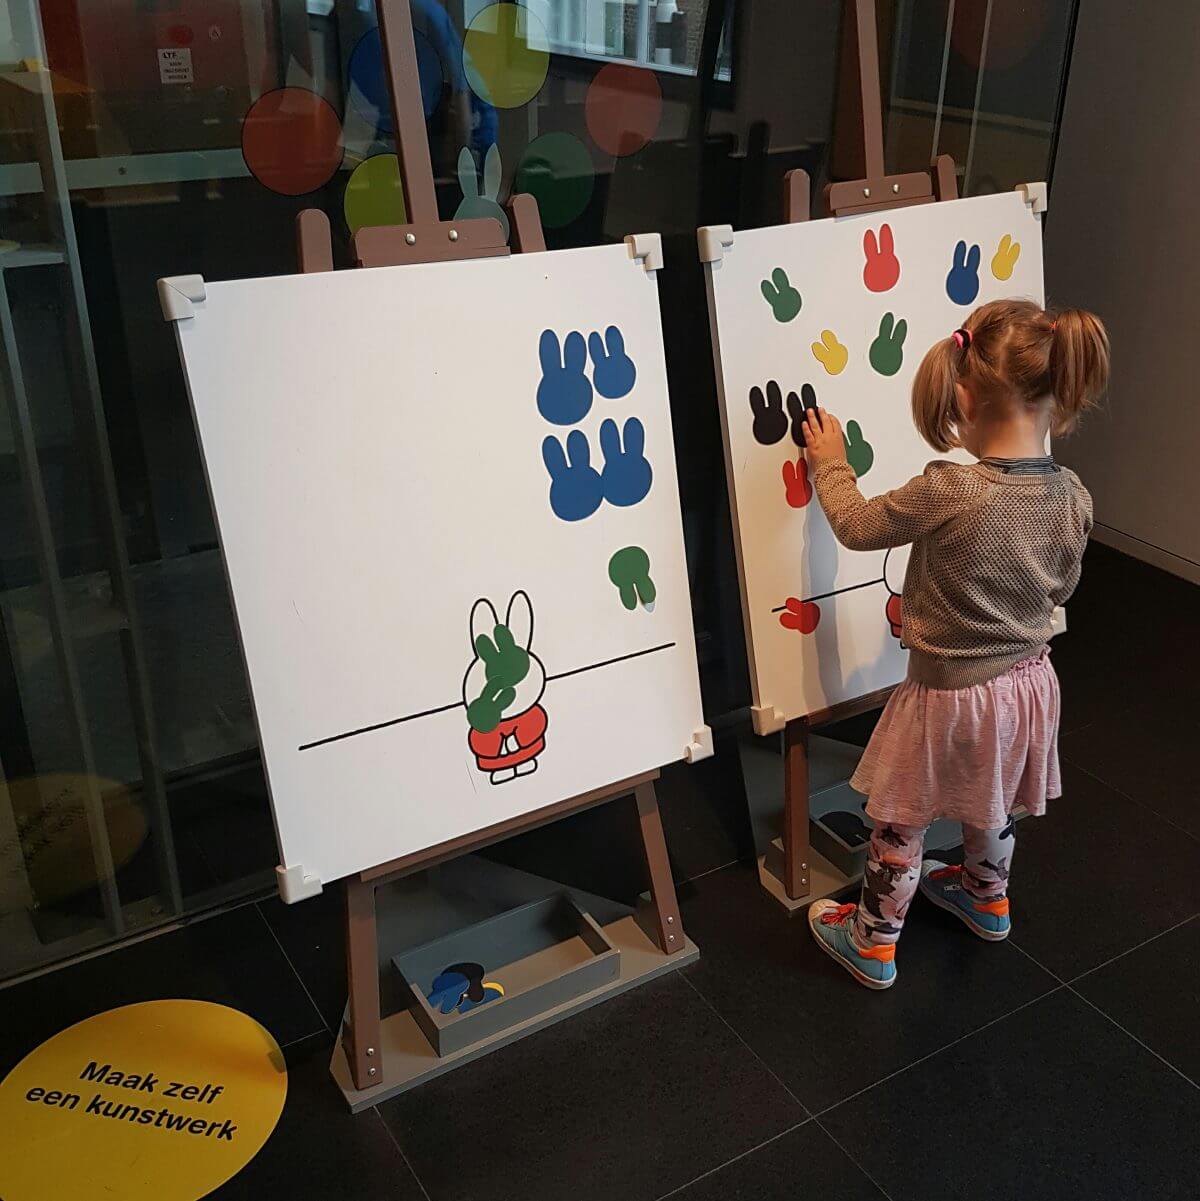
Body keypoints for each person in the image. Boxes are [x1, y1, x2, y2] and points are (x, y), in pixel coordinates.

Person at [799, 299, 1110, 990]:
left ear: (964, 394)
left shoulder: (951, 488)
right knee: (991, 799)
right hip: (1029, 683)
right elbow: (1062, 587)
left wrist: (831, 462)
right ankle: (985, 895)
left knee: (899, 817)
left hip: (947, 692)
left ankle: (873, 940)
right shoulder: (1074, 496)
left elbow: (853, 524)